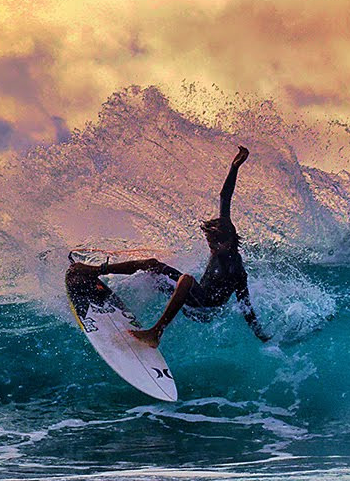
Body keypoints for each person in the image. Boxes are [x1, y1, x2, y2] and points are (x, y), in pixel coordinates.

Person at [71, 145, 270, 347]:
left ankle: (155, 333)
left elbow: (246, 305)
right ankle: (95, 272)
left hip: (203, 310)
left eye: (214, 244)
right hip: (194, 295)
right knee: (151, 265)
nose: (211, 248)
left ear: (228, 242)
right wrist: (234, 167)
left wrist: (260, 333)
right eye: (209, 242)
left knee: (186, 280)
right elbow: (224, 197)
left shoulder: (235, 269)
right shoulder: (224, 229)